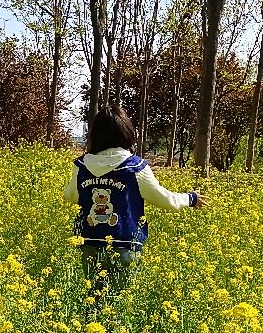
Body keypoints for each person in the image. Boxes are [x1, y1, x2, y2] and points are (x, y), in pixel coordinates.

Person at [64, 104, 206, 296]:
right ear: (125, 131)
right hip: (125, 245)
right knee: (118, 304)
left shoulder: (81, 165)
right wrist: (190, 198)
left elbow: (70, 196)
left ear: (95, 134)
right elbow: (165, 199)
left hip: (91, 244)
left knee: (95, 301)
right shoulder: (135, 166)